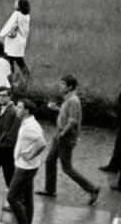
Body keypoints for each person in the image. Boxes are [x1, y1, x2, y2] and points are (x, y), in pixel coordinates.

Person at [37, 75, 99, 205]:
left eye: (62, 85)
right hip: (59, 134)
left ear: (70, 87)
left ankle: (92, 189)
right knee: (49, 161)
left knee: (67, 168)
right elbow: (68, 115)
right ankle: (50, 189)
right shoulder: (68, 99)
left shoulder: (74, 101)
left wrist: (63, 134)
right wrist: (57, 109)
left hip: (65, 137)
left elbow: (73, 121)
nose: (60, 87)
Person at [7, 99, 48, 224]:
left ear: (26, 111)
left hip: (25, 167)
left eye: (19, 107)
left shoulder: (30, 126)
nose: (17, 109)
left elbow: (42, 143)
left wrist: (29, 154)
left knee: (12, 197)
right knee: (27, 199)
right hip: (28, 166)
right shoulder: (28, 123)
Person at [0, 0, 31, 79]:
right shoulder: (26, 16)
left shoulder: (16, 14)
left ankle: (10, 78)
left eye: (16, 2)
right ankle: (27, 77)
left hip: (13, 42)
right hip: (21, 41)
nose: (14, 3)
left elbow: (9, 25)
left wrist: (1, 34)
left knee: (9, 60)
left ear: (20, 5)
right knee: (19, 60)